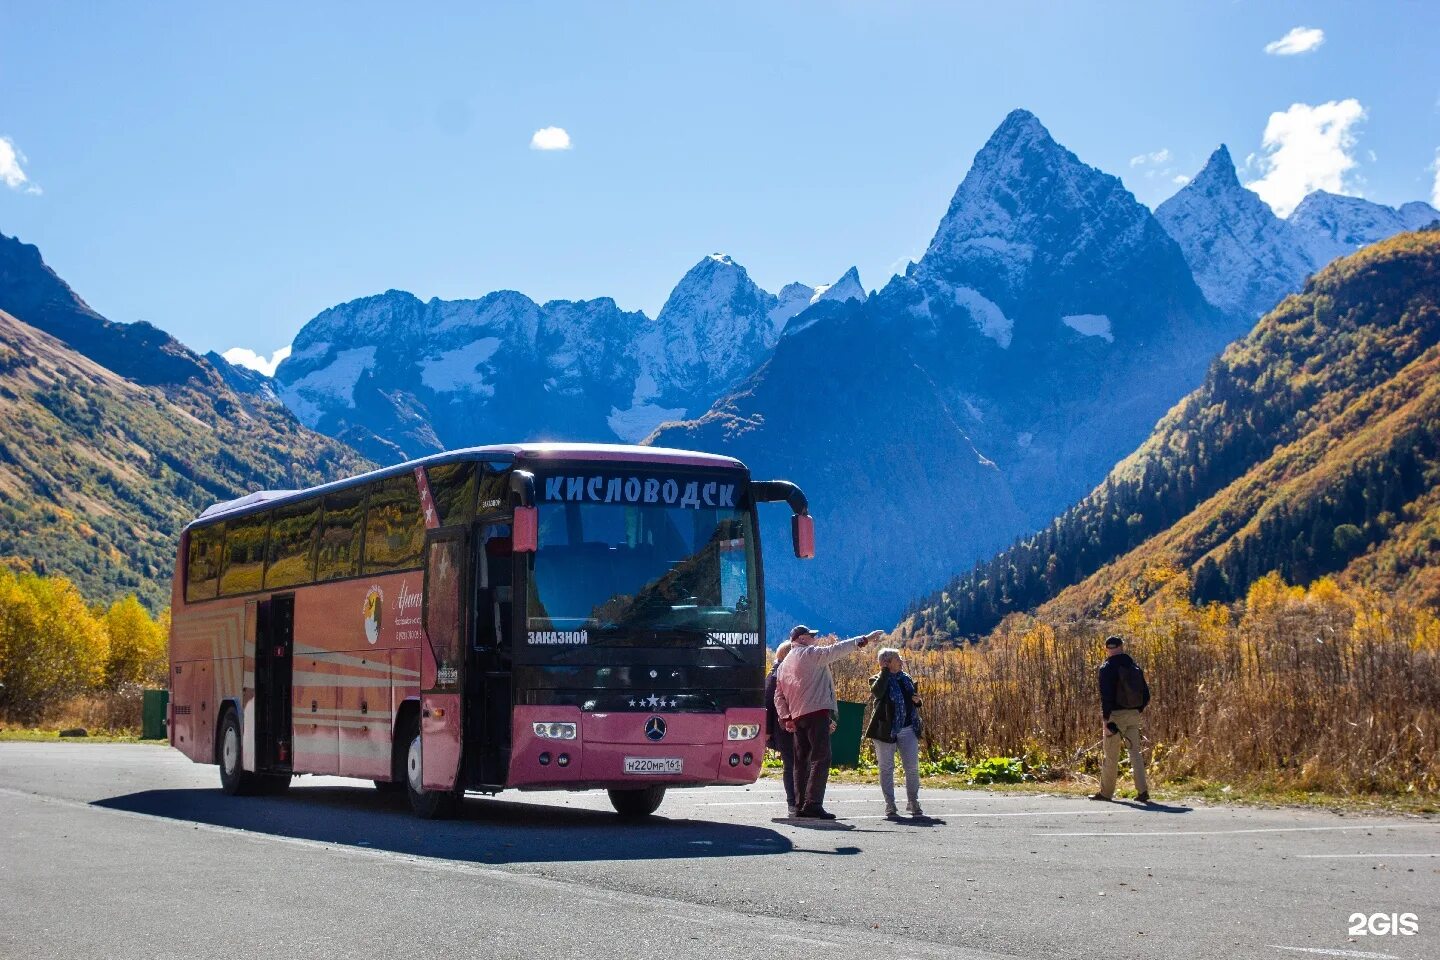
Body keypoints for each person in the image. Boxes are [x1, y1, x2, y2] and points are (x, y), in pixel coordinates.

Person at [774, 624, 883, 819]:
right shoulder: (810, 653)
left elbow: (778, 696)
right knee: (821, 758)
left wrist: (786, 717)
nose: (815, 639)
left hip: (798, 717)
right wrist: (864, 639)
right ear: (802, 639)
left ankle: (799, 805)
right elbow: (835, 650)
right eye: (811, 636)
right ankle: (813, 804)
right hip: (816, 712)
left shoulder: (783, 666)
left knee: (801, 762)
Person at [1090, 635, 1151, 804]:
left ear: (1106, 648)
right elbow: (1146, 694)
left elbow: (1106, 697)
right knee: (1135, 754)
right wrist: (1138, 709)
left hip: (1115, 717)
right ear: (1122, 646)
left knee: (1111, 756)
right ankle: (1143, 791)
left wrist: (1105, 721)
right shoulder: (1134, 666)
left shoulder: (1106, 668)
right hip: (1133, 715)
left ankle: (1106, 793)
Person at [865, 647, 923, 817]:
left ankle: (913, 801)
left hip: (908, 728)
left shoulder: (906, 679)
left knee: (912, 767)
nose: (901, 661)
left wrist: (918, 702)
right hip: (885, 730)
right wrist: (884, 671)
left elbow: (913, 701)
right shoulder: (876, 679)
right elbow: (878, 692)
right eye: (898, 659)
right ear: (887, 662)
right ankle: (890, 804)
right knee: (886, 768)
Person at [763, 640, 798, 816]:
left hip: (784, 726)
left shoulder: (780, 672)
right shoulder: (776, 674)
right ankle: (793, 802)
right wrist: (767, 731)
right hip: (782, 727)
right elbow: (768, 703)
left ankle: (798, 801)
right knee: (791, 764)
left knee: (794, 763)